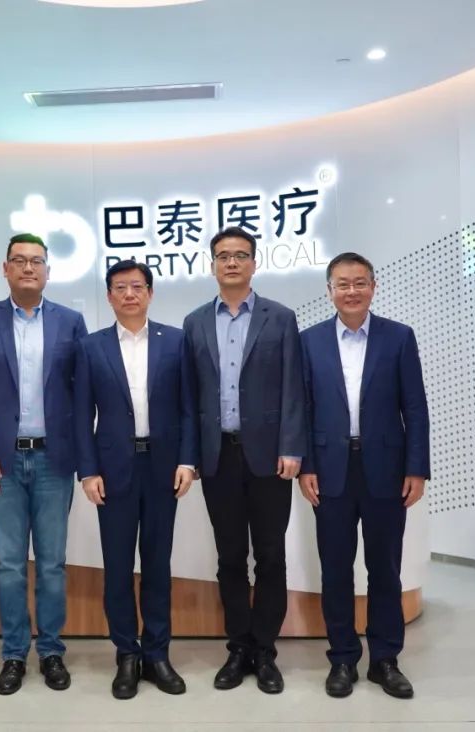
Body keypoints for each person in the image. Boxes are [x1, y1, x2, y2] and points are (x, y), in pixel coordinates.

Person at [297, 252, 430, 700]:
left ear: (373, 287)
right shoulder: (310, 341)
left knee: (384, 570)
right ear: (329, 291)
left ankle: (385, 659)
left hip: (386, 471)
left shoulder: (399, 337)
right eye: (342, 284)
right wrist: (306, 465)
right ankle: (342, 659)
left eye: (359, 282)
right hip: (329, 471)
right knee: (335, 570)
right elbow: (303, 409)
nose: (351, 291)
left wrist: (416, 468)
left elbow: (415, 407)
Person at [0, 233, 88, 695]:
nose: (28, 268)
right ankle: (14, 654)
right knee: (10, 564)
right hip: (3, 461)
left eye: (36, 261)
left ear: (48, 271)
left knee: (52, 564)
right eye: (19, 260)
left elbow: (82, 393)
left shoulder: (71, 322)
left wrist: (83, 458)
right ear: (6, 269)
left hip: (55, 460)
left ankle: (51, 650)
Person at [181, 226, 306, 694]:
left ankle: (265, 651)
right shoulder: (195, 322)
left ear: (255, 263)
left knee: (271, 556)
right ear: (212, 264)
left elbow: (294, 388)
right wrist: (190, 456)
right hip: (218, 457)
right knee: (230, 556)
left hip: (270, 458)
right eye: (222, 256)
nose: (231, 262)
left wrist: (291, 446)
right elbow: (190, 397)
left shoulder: (280, 318)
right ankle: (238, 648)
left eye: (240, 255)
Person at [73, 259, 197, 699]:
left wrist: (187, 461)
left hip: (163, 469)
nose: (129, 294)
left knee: (158, 565)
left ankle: (157, 653)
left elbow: (189, 408)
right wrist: (88, 470)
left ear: (150, 293)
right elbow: (80, 414)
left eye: (137, 286)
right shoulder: (91, 347)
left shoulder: (176, 341)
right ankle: (126, 654)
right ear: (109, 296)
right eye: (121, 287)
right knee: (118, 568)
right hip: (113, 472)